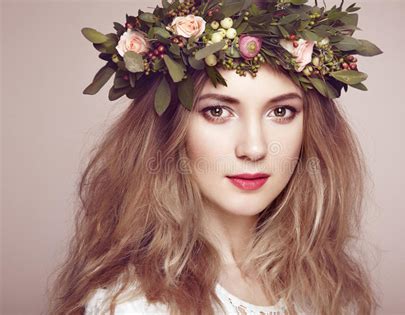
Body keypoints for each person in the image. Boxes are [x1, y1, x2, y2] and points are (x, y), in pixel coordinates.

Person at [47, 0, 382, 314]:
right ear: (170, 129)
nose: (254, 148)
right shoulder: (136, 305)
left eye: (281, 111)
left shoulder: (323, 285)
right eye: (218, 111)